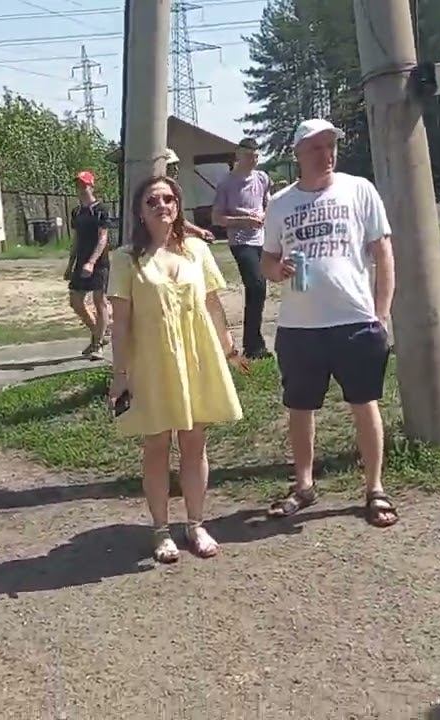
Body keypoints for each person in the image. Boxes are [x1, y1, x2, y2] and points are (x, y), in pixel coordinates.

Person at [261, 118, 399, 528]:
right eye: (316, 148)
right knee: (300, 407)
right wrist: (277, 270)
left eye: (331, 146)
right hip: (299, 327)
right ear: (298, 154)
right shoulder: (280, 203)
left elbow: (383, 252)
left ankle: (374, 488)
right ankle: (304, 485)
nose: (326, 154)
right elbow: (267, 260)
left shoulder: (359, 189)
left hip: (354, 320)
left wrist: (381, 313)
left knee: (365, 403)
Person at [107, 175, 248, 563]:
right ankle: (160, 530)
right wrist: (120, 376)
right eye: (152, 201)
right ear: (139, 211)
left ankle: (196, 524)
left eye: (168, 199)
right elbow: (120, 324)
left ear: (178, 205)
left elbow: (213, 305)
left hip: (197, 358)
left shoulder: (197, 250)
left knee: (194, 442)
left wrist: (230, 350)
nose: (162, 206)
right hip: (150, 363)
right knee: (156, 445)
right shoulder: (125, 259)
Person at [213, 137, 272, 358]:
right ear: (238, 155)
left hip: (261, 239)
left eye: (256, 156)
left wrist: (264, 216)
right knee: (256, 286)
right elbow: (217, 218)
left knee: (260, 289)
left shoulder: (262, 178)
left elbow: (268, 203)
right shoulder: (226, 183)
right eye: (249, 156)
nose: (253, 160)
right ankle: (253, 346)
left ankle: (253, 341)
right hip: (240, 240)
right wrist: (244, 220)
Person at [67, 170, 113, 358]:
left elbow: (103, 238)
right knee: (75, 301)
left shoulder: (101, 209)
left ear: (91, 186)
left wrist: (92, 262)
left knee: (99, 301)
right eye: (78, 185)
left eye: (84, 185)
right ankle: (98, 333)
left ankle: (97, 345)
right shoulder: (77, 212)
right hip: (81, 260)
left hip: (99, 262)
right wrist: (70, 264)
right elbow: (76, 239)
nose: (81, 188)